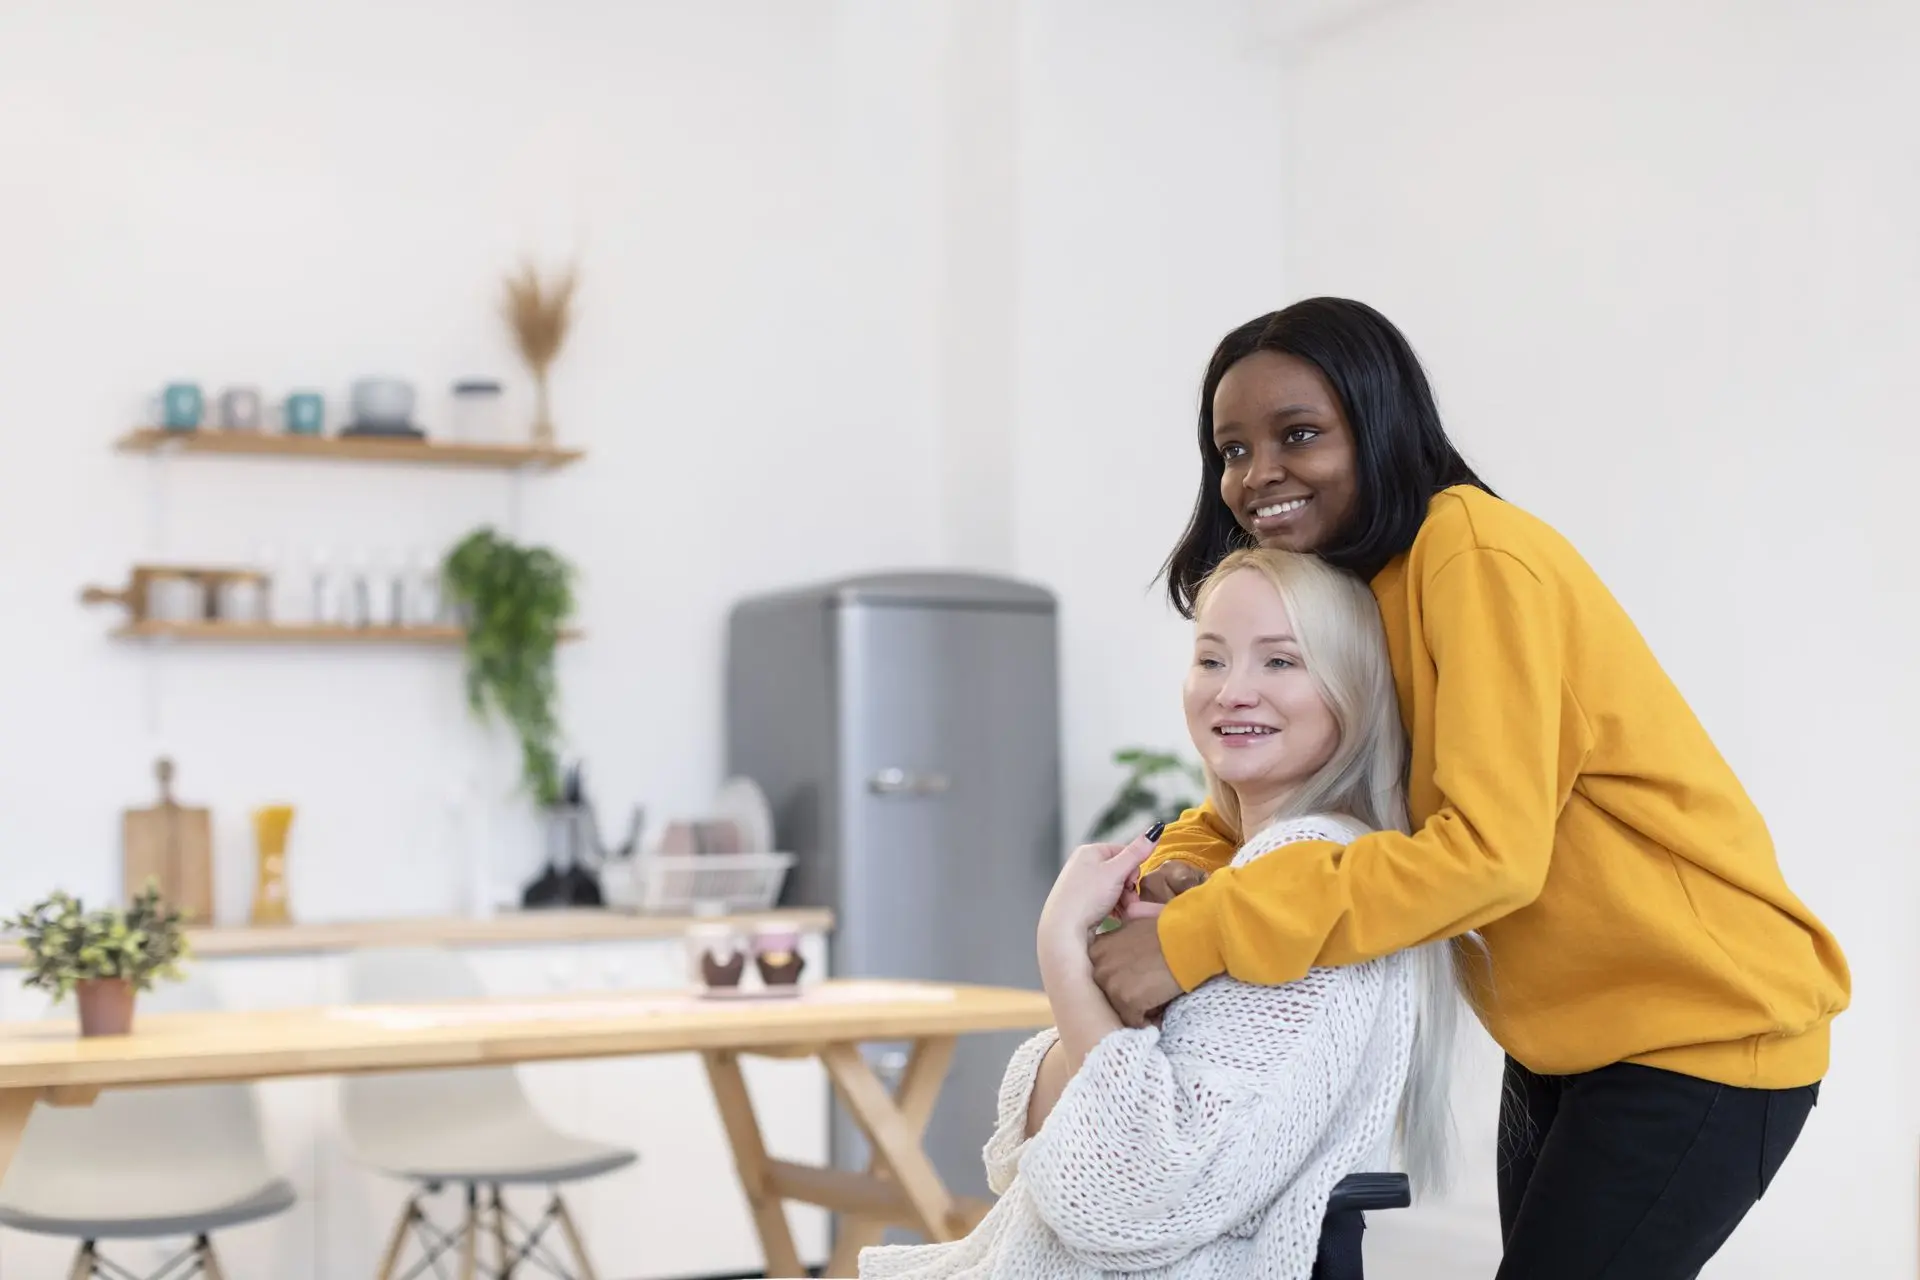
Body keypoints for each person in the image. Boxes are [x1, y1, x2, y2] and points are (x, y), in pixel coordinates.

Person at [1089, 297, 1850, 1278]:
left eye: (1301, 434)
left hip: (1701, 1028)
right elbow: (1290, 786)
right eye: (1231, 449)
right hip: (1562, 1041)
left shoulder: (1470, 553)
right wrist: (1179, 868)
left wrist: (1197, 937)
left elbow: (1490, 856)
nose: (1258, 473)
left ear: (1383, 423)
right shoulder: (1362, 588)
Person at [860, 548, 1460, 1280]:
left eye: (1280, 662)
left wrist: (1062, 948)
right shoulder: (1237, 879)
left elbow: (1127, 1191)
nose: (1233, 691)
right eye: (1212, 659)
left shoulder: (1309, 873)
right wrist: (1115, 1021)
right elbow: (1045, 1127)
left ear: (1355, 693)